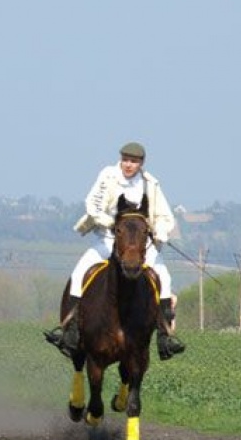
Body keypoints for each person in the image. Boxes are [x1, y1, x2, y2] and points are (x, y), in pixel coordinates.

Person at [46, 142, 185, 360]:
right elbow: (92, 205)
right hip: (108, 239)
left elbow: (165, 216)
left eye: (134, 161)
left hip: (139, 244)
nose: (129, 165)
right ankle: (69, 329)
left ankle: (164, 337)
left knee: (164, 278)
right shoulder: (108, 176)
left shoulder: (151, 184)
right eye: (126, 160)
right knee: (80, 272)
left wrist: (160, 232)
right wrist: (111, 223)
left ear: (141, 163)